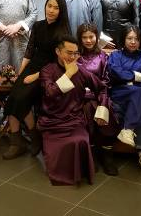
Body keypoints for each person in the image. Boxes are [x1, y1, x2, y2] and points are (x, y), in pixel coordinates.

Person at [2, 0, 70, 160]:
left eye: (56, 8)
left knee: (21, 99)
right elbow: (30, 50)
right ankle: (18, 141)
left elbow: (58, 63)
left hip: (50, 71)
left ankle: (33, 137)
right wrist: (21, 71)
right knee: (13, 98)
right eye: (49, 6)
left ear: (61, 11)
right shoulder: (38, 25)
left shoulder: (63, 32)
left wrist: (36, 77)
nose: (51, 10)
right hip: (33, 66)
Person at [38, 35, 111, 185]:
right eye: (69, 53)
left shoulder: (81, 71)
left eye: (76, 53)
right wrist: (68, 74)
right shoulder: (47, 70)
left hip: (74, 120)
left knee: (80, 141)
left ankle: (81, 170)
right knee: (59, 151)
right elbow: (50, 92)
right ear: (58, 51)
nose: (73, 57)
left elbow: (102, 88)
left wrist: (103, 106)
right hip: (52, 121)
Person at [108, 26, 141, 178]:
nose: (133, 42)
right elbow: (114, 72)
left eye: (136, 39)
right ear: (123, 39)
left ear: (140, 41)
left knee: (140, 96)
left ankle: (128, 130)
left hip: (140, 91)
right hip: (120, 93)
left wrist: (127, 78)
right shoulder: (115, 55)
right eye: (129, 38)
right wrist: (134, 76)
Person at [77, 23, 119, 176]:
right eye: (84, 37)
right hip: (81, 97)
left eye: (91, 37)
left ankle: (107, 156)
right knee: (88, 108)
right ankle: (92, 155)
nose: (88, 40)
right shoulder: (76, 57)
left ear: (96, 37)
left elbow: (106, 81)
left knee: (105, 109)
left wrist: (102, 100)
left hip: (100, 94)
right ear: (80, 39)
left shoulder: (103, 57)